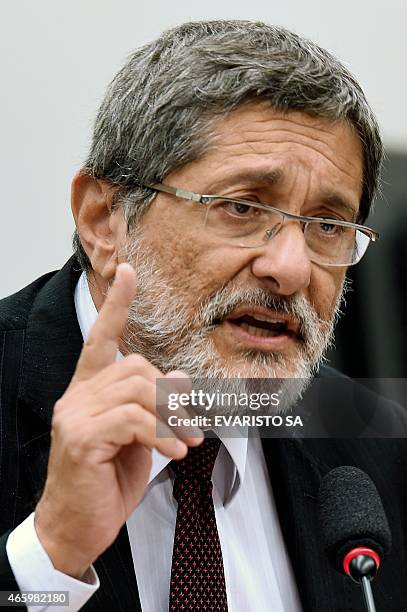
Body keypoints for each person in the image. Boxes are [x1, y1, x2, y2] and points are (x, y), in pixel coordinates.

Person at [0, 19, 406, 612]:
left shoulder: (374, 444)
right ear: (103, 220)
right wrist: (49, 559)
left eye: (327, 225)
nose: (291, 269)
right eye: (241, 207)